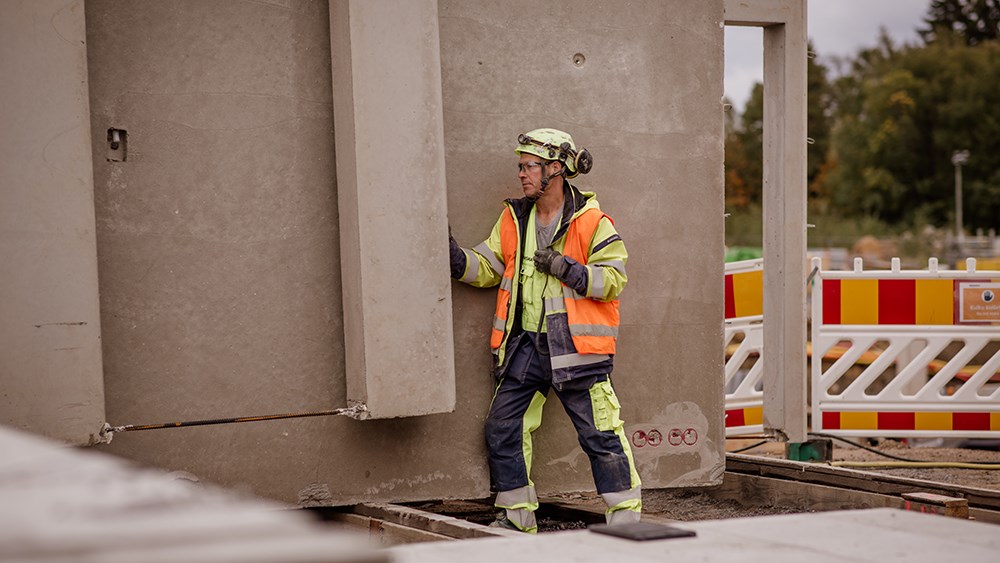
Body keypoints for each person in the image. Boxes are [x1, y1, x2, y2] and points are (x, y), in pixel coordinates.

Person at [449, 128, 641, 533]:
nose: (521, 175)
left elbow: (613, 279)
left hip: (576, 349)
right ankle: (518, 520)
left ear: (556, 169)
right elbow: (488, 268)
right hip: (526, 347)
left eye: (529, 167)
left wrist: (565, 268)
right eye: (520, 167)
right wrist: (453, 259)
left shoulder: (591, 222)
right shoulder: (514, 218)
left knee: (600, 434)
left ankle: (626, 520)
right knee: (503, 428)